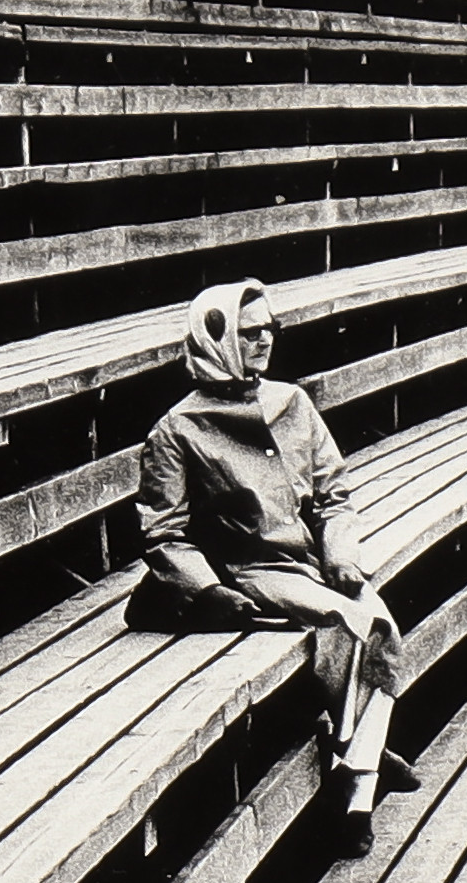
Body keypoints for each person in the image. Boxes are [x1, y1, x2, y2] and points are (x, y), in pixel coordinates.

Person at [129, 278, 413, 850]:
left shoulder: (293, 403)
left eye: (269, 330)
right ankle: (357, 793)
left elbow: (333, 493)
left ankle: (360, 752)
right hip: (248, 569)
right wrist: (208, 590)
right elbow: (163, 533)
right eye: (249, 332)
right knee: (351, 624)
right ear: (216, 339)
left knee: (382, 624)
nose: (263, 341)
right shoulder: (178, 429)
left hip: (309, 560)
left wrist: (340, 556)